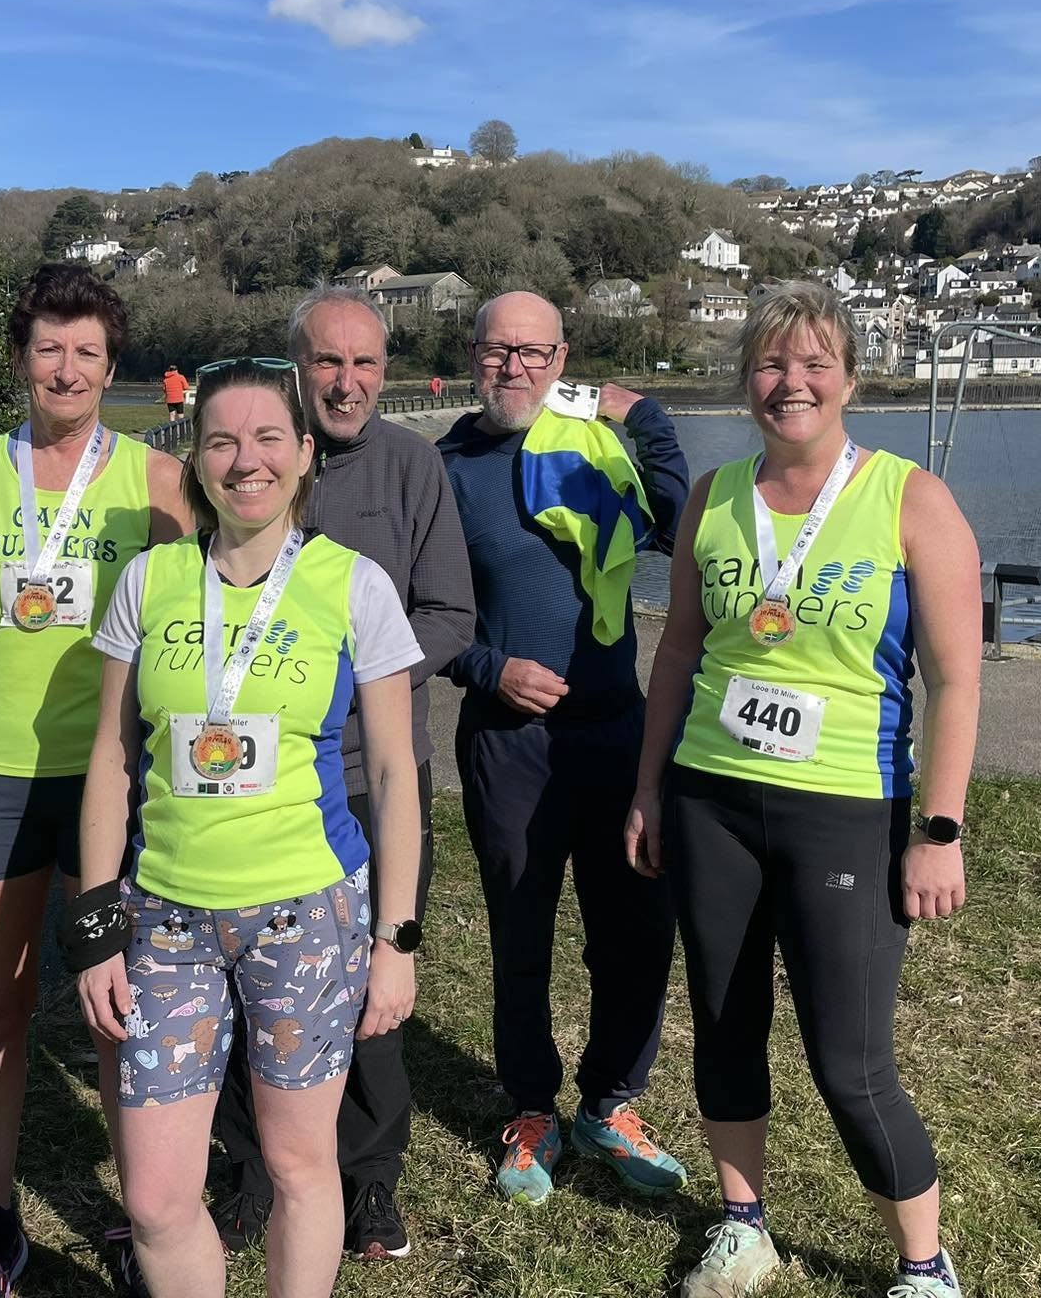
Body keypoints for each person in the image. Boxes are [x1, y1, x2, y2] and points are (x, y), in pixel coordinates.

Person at [624, 280, 980, 1298]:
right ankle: (744, 1227)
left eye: (813, 363)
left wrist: (939, 827)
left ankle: (923, 1266)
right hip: (710, 799)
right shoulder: (711, 497)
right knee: (723, 1022)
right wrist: (649, 788)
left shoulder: (909, 497)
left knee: (848, 1060)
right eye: (771, 365)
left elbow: (955, 677)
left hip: (845, 808)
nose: (791, 383)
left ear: (848, 378)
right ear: (746, 383)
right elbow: (680, 650)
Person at [70, 357, 425, 1298]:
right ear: (196, 458)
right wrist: (98, 928)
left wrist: (396, 940)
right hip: (167, 920)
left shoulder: (355, 586)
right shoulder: (150, 581)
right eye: (221, 440)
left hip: (305, 916)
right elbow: (110, 758)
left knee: (300, 1165)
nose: (245, 460)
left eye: (269, 437)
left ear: (305, 454)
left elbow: (392, 774)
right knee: (153, 1197)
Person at [0, 264, 190, 1294]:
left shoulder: (153, 478)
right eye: (49, 349)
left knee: (113, 1008)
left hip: (106, 784)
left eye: (87, 352)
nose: (67, 369)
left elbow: (188, 622)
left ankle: (138, 1215)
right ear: (20, 360)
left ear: (110, 367)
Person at [209, 293, 474, 1261]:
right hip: (241, 781)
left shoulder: (412, 467)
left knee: (368, 984)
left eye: (365, 365)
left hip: (371, 775)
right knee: (242, 981)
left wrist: (359, 680)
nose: (347, 383)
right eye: (327, 363)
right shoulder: (252, 460)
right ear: (294, 363)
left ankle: (367, 1177)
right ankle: (244, 1170)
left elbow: (450, 614)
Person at [437, 289, 690, 1205]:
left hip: (617, 731)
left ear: (562, 355)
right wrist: (487, 667)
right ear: (472, 356)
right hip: (511, 741)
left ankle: (612, 1102)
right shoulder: (449, 466)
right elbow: (425, 618)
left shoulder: (600, 448)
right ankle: (533, 1105)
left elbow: (676, 520)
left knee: (634, 933)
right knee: (521, 931)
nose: (516, 368)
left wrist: (648, 417)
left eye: (535, 352)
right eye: (498, 352)